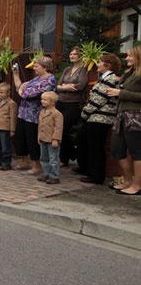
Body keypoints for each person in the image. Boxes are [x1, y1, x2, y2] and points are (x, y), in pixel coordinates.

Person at [76, 54, 121, 184]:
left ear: (107, 65)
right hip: (95, 117)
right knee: (85, 141)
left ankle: (96, 176)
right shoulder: (103, 78)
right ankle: (87, 169)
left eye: (100, 62)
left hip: (101, 118)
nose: (98, 64)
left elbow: (99, 99)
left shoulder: (110, 79)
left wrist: (85, 113)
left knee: (96, 147)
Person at [13, 56, 57, 175]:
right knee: (20, 137)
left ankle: (37, 166)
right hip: (24, 113)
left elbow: (27, 94)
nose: (34, 68)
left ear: (45, 67)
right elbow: (20, 88)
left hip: (35, 115)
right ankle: (25, 161)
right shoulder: (37, 78)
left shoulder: (49, 80)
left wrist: (22, 90)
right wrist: (16, 75)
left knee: (32, 139)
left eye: (36, 66)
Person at [107, 45, 141, 195]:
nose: (127, 58)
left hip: (135, 116)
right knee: (117, 149)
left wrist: (121, 93)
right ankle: (127, 180)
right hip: (121, 115)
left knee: (136, 151)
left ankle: (137, 185)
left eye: (130, 56)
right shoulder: (130, 73)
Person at [56, 47, 89, 168]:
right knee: (57, 127)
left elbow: (80, 86)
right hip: (60, 101)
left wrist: (64, 86)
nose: (72, 56)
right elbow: (57, 85)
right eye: (70, 54)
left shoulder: (83, 69)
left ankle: (64, 157)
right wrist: (65, 87)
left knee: (63, 126)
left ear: (81, 56)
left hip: (74, 103)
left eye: (75, 54)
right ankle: (70, 151)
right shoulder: (67, 69)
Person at [0, 82, 17, 170]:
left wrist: (12, 130)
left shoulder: (11, 103)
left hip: (5, 127)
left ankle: (6, 162)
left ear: (8, 93)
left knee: (5, 146)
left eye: (2, 92)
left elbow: (13, 117)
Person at [37, 91, 63, 184]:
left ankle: (54, 176)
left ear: (52, 102)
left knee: (53, 159)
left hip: (52, 140)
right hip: (43, 139)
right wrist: (39, 137)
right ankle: (46, 174)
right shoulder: (42, 112)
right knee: (43, 158)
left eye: (45, 100)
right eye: (42, 99)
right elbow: (40, 125)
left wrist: (56, 139)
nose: (42, 101)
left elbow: (58, 128)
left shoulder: (57, 114)